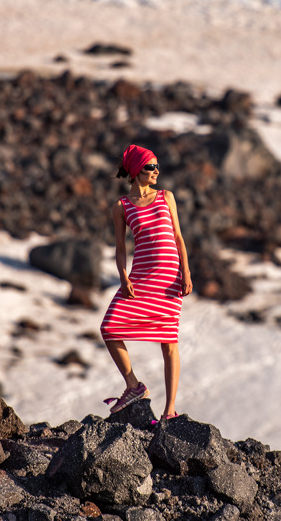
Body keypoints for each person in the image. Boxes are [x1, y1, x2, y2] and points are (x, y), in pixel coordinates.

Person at [100, 144, 193, 421]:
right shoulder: (122, 206)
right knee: (109, 327)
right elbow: (120, 248)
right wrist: (123, 275)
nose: (157, 171)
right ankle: (133, 385)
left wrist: (186, 272)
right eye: (151, 167)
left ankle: (169, 410)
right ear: (138, 170)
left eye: (156, 166)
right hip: (140, 276)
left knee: (168, 342)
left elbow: (178, 237)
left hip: (168, 278)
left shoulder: (166, 197)